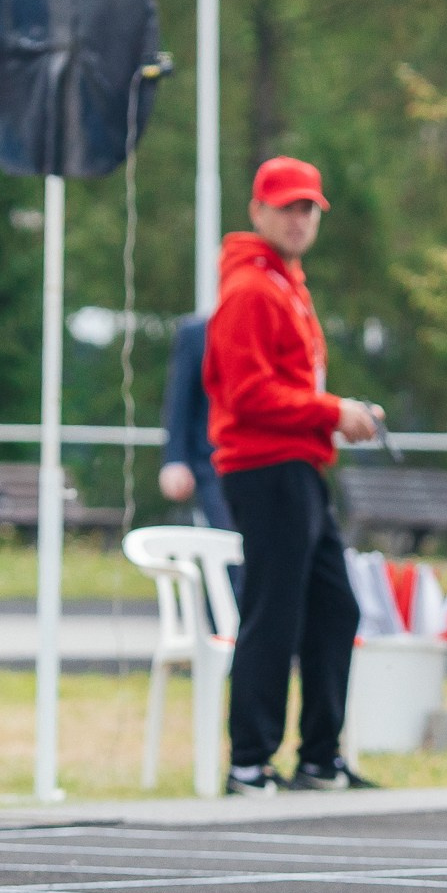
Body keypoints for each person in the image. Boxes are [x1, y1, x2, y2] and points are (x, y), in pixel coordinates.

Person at [205, 156, 383, 796]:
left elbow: (277, 386)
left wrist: (331, 416)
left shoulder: (283, 282)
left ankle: (317, 758)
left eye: (308, 207)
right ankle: (249, 763)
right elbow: (248, 394)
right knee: (273, 614)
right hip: (265, 466)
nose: (300, 218)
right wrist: (332, 410)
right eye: (287, 206)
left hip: (297, 463)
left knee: (333, 608)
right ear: (257, 212)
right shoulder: (251, 289)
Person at [159, 312, 232, 530]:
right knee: (233, 549)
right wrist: (175, 459)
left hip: (268, 466)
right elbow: (179, 400)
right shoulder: (198, 333)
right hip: (213, 464)